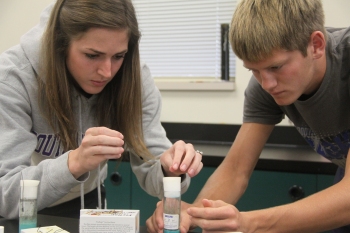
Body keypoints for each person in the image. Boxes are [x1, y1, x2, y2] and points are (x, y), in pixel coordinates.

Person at [146, 0, 350, 232]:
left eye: (276, 67)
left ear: (316, 45)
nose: (267, 84)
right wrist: (193, 214)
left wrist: (248, 223)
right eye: (254, 70)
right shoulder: (265, 85)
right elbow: (236, 170)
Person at [0, 0, 203, 219]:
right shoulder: (13, 77)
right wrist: (74, 163)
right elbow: (5, 195)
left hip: (89, 203)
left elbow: (153, 171)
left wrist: (168, 171)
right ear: (60, 44)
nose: (107, 72)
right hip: (24, 211)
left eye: (118, 56)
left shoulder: (134, 79)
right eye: (92, 55)